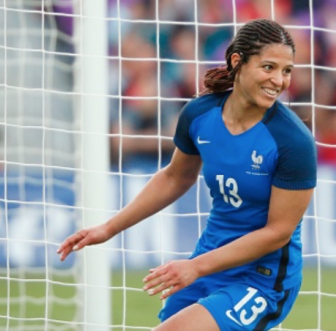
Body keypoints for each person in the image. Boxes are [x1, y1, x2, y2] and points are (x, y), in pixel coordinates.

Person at [57, 18, 317, 331]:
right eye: (269, 67)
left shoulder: (293, 142)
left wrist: (195, 267)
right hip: (210, 259)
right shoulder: (200, 114)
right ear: (238, 62)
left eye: (286, 70)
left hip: (262, 277)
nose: (279, 80)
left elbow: (278, 232)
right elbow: (175, 177)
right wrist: (109, 228)